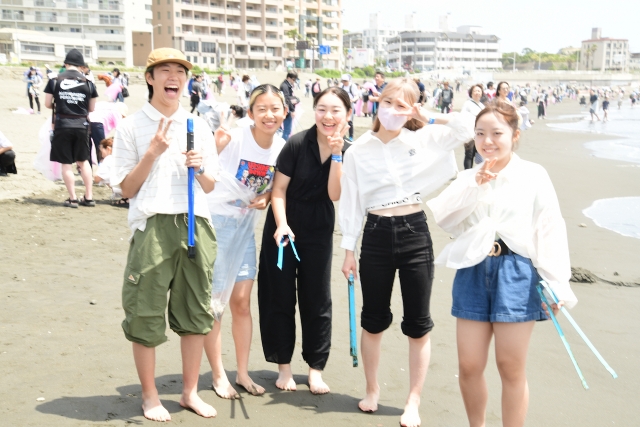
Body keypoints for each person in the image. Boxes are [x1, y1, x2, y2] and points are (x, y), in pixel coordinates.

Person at [426, 101, 578, 427]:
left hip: (517, 273)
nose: (487, 141)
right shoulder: (468, 176)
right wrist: (474, 185)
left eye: (497, 133)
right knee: (469, 365)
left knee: (510, 367)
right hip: (473, 269)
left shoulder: (533, 174)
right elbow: (446, 218)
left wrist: (557, 283)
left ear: (514, 135)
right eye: (480, 133)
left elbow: (549, 227)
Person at [339, 78, 474, 427]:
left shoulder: (424, 138)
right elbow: (351, 203)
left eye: (402, 105)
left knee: (418, 323)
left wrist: (429, 117)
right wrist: (348, 250)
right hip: (375, 233)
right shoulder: (357, 151)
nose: (392, 110)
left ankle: (413, 400)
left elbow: (468, 127)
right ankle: (372, 390)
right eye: (388, 102)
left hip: (415, 231)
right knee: (373, 319)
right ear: (376, 103)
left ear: (413, 109)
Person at [111, 48, 219, 422]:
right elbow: (126, 189)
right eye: (165, 70)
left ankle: (189, 393)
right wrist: (152, 154)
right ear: (150, 78)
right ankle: (150, 396)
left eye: (180, 72)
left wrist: (199, 167)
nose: (174, 77)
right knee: (145, 312)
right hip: (153, 225)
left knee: (196, 312)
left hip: (195, 223)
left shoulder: (198, 125)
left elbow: (210, 185)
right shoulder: (131, 126)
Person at [257, 87, 351, 395]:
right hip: (284, 224)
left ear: (348, 115)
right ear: (314, 111)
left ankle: (315, 369)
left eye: (336, 110)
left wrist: (337, 153)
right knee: (279, 295)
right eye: (322, 109)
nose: (328, 116)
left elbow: (334, 194)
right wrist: (282, 223)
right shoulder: (297, 143)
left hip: (319, 225)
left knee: (317, 297)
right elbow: (278, 190)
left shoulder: (349, 151)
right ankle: (284, 367)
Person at [203, 84, 287, 400]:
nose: (269, 115)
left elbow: (278, 187)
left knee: (240, 300)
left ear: (285, 112)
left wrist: (266, 196)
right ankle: (218, 375)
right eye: (261, 109)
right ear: (250, 113)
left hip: (245, 228)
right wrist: (215, 146)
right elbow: (204, 173)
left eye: (275, 109)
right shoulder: (234, 137)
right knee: (215, 303)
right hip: (216, 224)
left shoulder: (282, 148)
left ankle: (242, 372)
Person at [43, 48, 98, 208]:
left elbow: (47, 104)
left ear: (66, 64)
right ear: (81, 66)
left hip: (63, 124)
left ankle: (73, 198)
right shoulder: (89, 82)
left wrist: (62, 102)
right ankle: (88, 197)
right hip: (82, 125)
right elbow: (92, 108)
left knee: (66, 163)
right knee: (84, 161)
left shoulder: (54, 80)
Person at [93, 137, 128, 207]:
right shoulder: (124, 157)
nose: (101, 154)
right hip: (135, 188)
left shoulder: (109, 158)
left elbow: (97, 179)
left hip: (126, 190)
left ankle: (126, 198)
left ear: (108, 149)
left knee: (105, 178)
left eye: (102, 150)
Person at [461, 84, 485, 170]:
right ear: (471, 93)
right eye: (475, 91)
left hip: (480, 133)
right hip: (469, 131)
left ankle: (476, 173)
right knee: (469, 154)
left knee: (478, 153)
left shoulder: (482, 106)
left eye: (479, 91)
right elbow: (462, 116)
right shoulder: (467, 104)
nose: (477, 92)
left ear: (481, 93)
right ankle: (467, 173)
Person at [279, 71, 297, 140]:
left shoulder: (286, 85)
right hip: (286, 110)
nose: (294, 81)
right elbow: (287, 98)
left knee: (286, 130)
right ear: (289, 78)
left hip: (286, 109)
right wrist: (292, 110)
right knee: (287, 130)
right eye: (293, 79)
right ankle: (284, 144)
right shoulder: (285, 86)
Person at [339, 74, 358, 140]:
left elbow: (356, 96)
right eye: (343, 81)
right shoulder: (341, 86)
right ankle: (341, 134)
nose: (344, 82)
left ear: (349, 80)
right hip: (343, 104)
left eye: (345, 81)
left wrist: (352, 100)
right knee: (341, 119)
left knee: (350, 120)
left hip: (350, 104)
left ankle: (351, 136)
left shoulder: (352, 86)